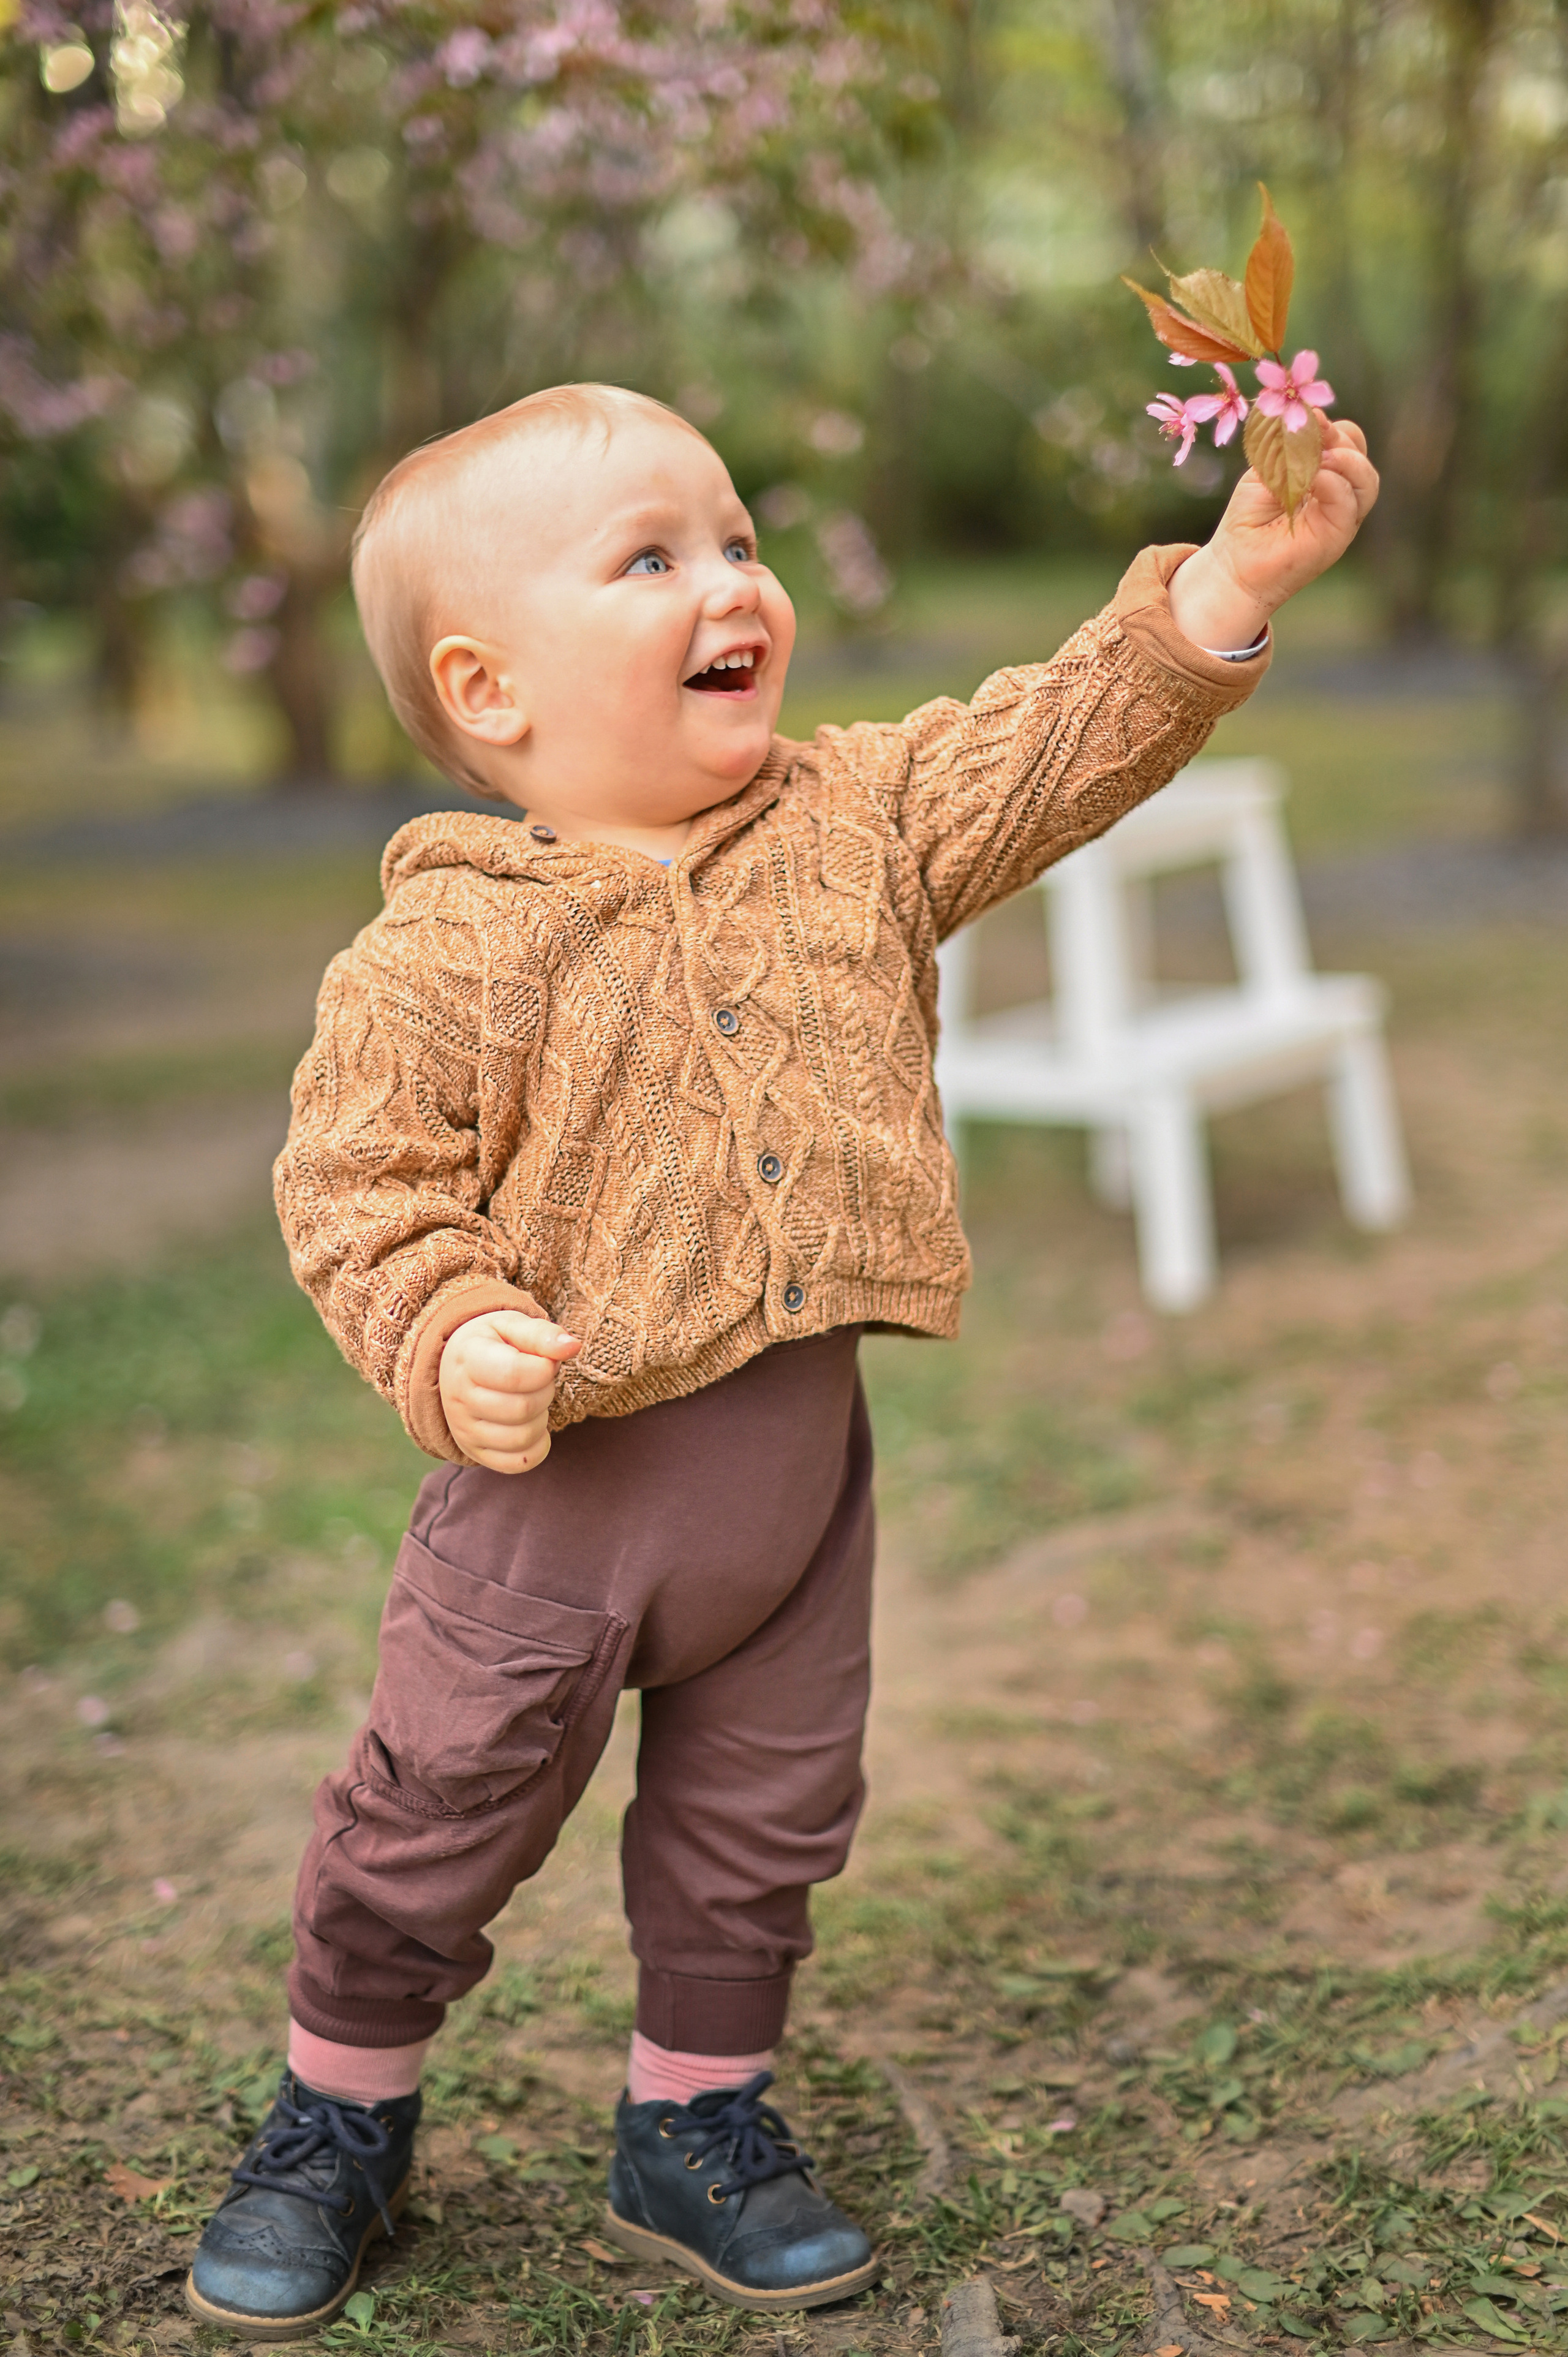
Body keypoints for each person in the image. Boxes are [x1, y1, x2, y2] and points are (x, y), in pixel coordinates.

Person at [185, 382, 1378, 2337]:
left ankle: (697, 2118)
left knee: (764, 1819)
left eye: (736, 539)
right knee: (435, 1812)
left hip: (796, 1487)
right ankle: (339, 2112)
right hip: (556, 1513)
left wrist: (1230, 583)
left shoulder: (854, 826)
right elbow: (358, 1184)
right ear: (492, 693)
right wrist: (452, 1324)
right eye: (650, 557)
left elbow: (1053, 743)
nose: (731, 579)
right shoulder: (440, 956)